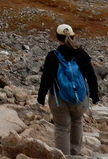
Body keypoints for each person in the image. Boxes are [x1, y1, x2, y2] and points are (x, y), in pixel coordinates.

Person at [37, 24, 100, 156]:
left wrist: (41, 97)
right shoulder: (82, 54)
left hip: (59, 100)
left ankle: (63, 156)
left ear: (57, 37)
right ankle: (75, 153)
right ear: (72, 36)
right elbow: (91, 76)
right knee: (77, 121)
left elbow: (46, 78)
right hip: (79, 99)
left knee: (62, 128)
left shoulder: (53, 56)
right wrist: (95, 95)